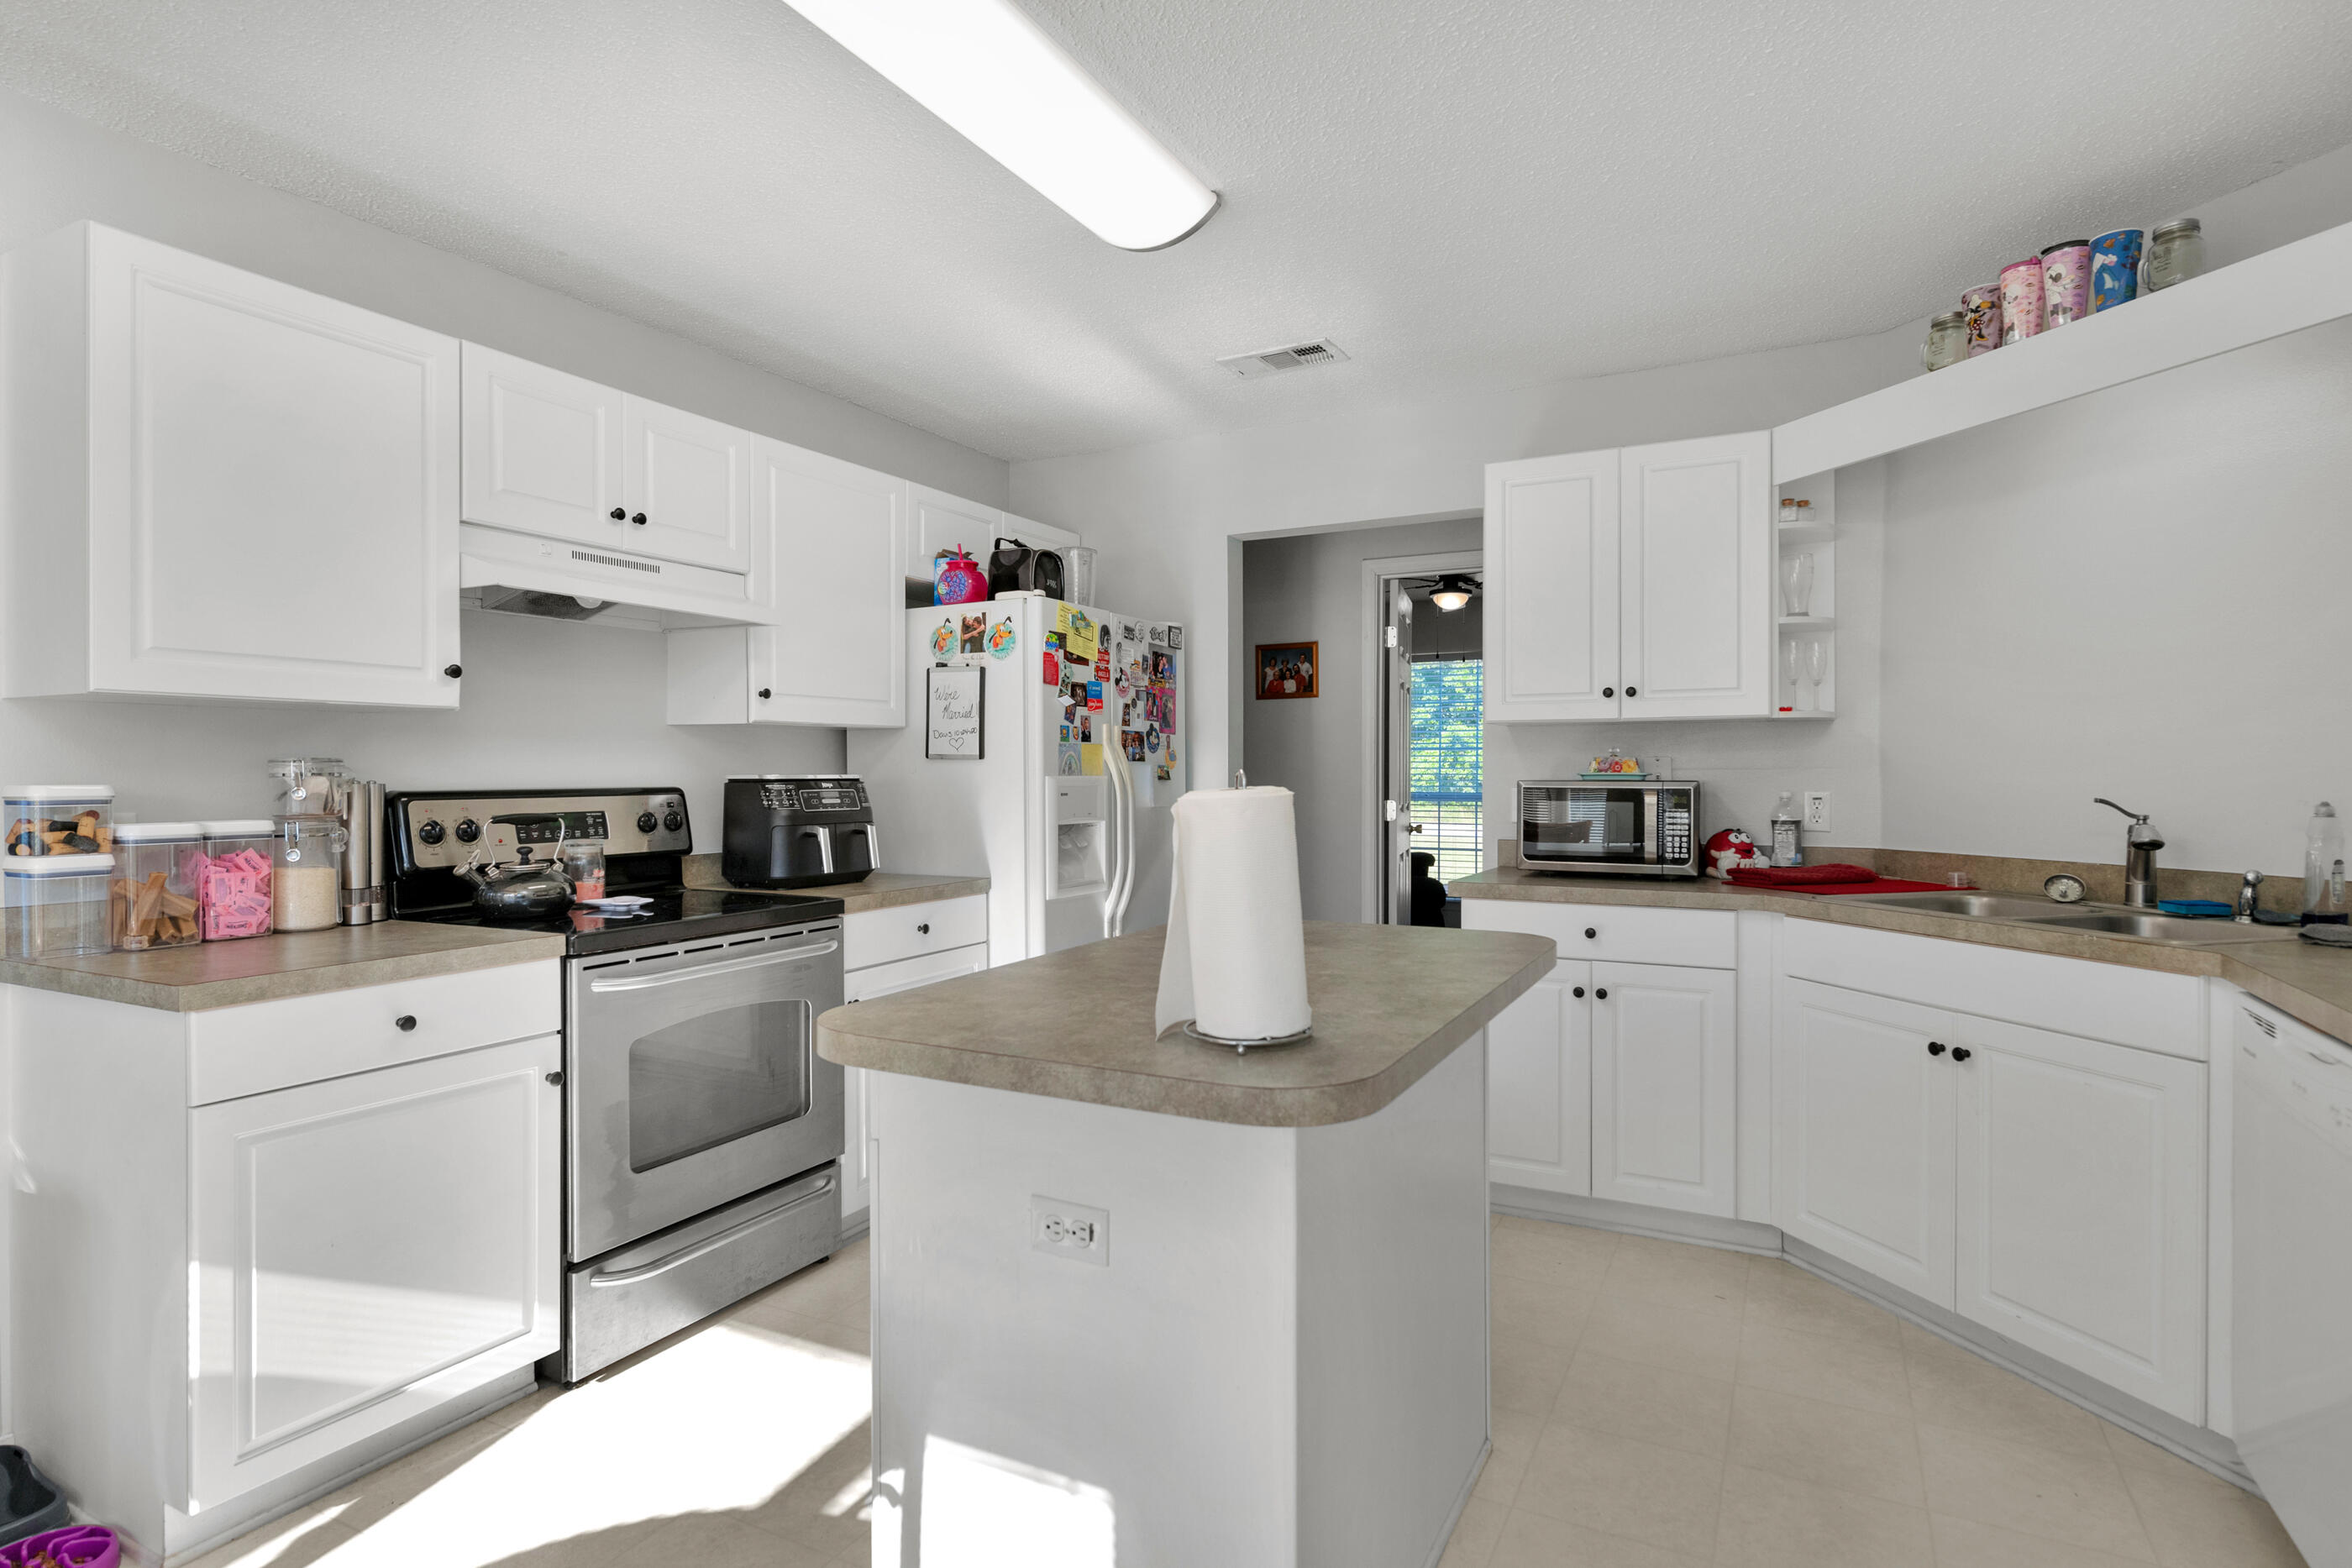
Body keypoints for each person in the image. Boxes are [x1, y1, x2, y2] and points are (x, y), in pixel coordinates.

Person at [1409, 851, 1449, 927]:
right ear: (1424, 869)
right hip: (1433, 923)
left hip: (1410, 924)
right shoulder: (1435, 884)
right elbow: (1442, 903)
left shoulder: (1402, 884)